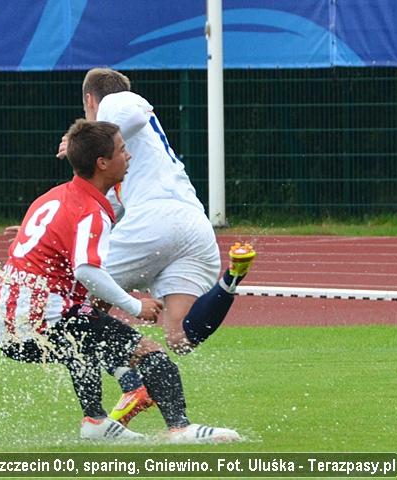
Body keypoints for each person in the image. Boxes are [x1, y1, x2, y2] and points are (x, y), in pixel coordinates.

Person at [0, 118, 240, 443]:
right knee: (150, 353)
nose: (129, 156)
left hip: (8, 324)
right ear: (102, 163)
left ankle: (95, 420)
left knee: (84, 339)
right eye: (122, 150)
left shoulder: (55, 196)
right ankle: (180, 428)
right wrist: (136, 305)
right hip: (43, 321)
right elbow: (87, 271)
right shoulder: (89, 210)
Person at [54, 68, 257, 427]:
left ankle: (130, 384)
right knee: (179, 337)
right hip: (193, 225)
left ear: (89, 99)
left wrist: (85, 140)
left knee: (77, 304)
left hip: (155, 220)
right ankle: (231, 277)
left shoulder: (117, 101)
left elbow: (134, 111)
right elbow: (100, 211)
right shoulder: (129, 162)